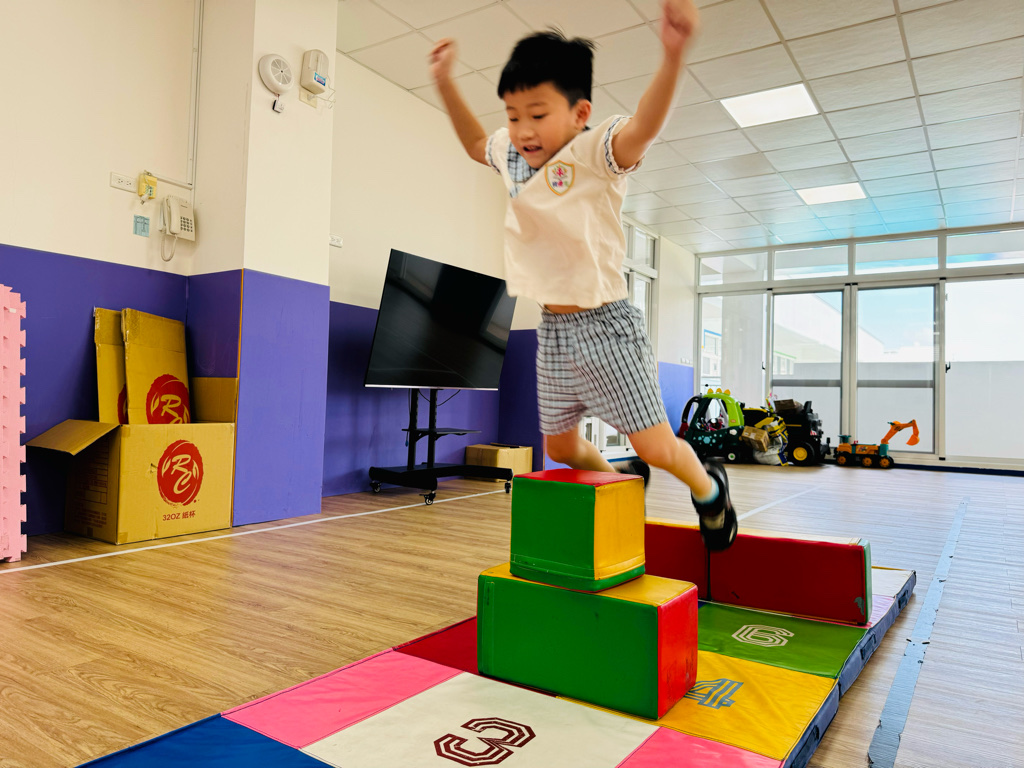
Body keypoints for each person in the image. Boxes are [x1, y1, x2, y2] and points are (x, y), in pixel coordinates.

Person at [428, 0, 737, 550]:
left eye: (537, 114)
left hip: (607, 326)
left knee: (656, 447)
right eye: (513, 115)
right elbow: (477, 144)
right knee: (563, 448)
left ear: (578, 112)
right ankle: (620, 485)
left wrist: (672, 55)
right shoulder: (513, 153)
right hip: (552, 328)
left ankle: (709, 488)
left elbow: (645, 125)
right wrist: (446, 82)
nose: (523, 130)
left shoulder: (597, 151)